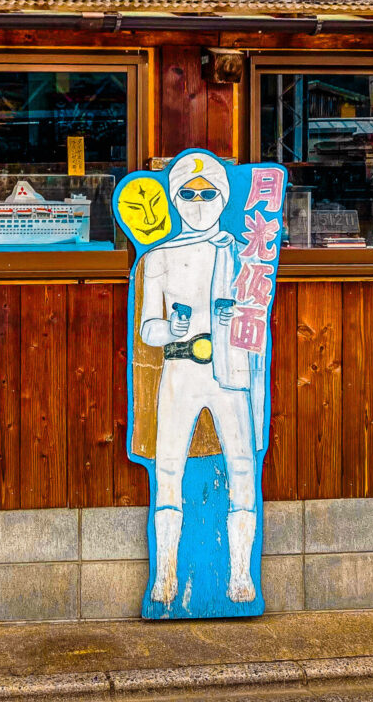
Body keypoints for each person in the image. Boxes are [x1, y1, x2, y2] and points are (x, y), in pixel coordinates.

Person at [138, 152, 259, 608]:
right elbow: (150, 327)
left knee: (242, 466)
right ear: (174, 198)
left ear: (222, 197)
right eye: (187, 193)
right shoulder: (158, 257)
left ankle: (241, 576)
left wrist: (232, 316)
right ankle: (165, 575)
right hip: (179, 368)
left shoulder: (240, 253)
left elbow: (257, 315)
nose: (198, 201)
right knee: (168, 468)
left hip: (230, 368)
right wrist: (172, 329)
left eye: (209, 192)